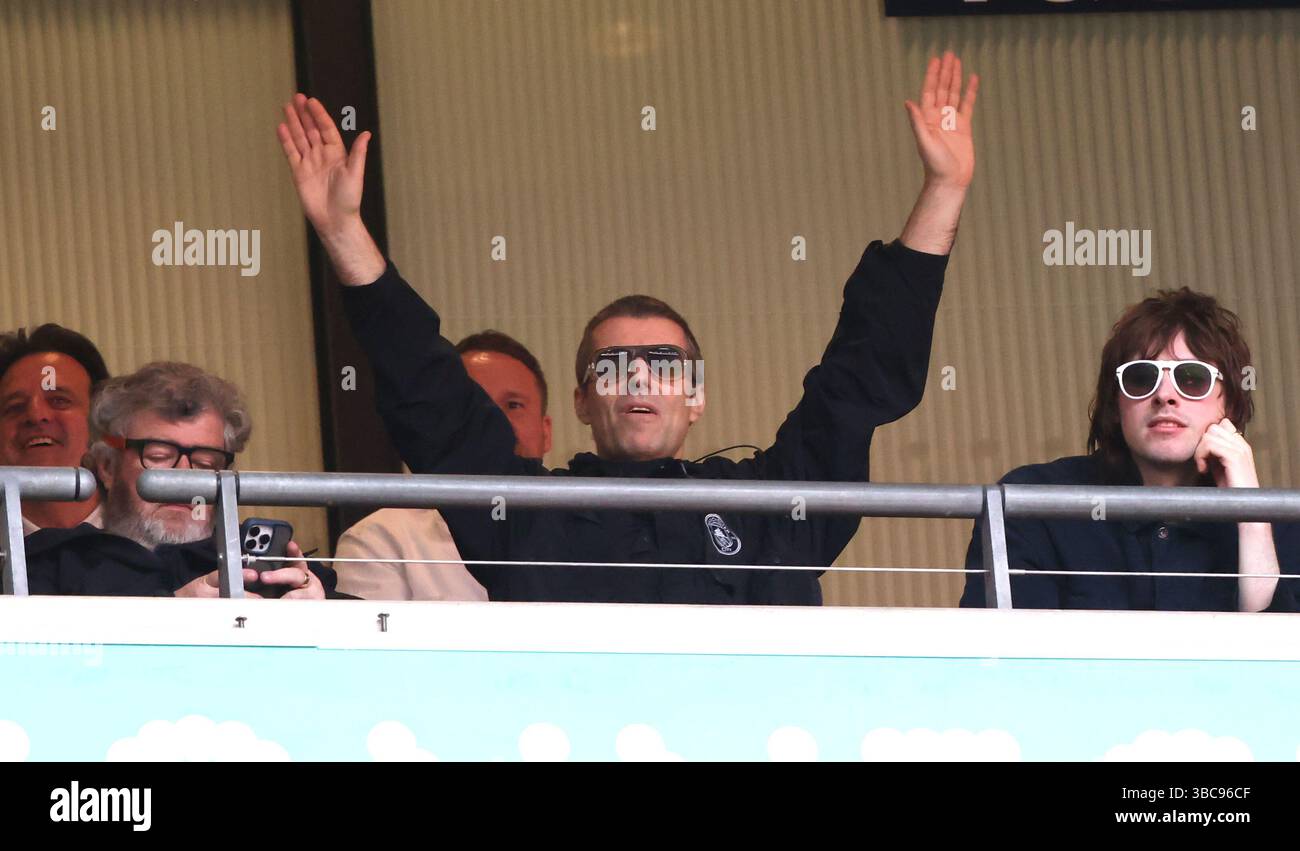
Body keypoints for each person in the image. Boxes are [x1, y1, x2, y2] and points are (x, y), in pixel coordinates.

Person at [278, 53, 978, 604]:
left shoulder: (770, 504)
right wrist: (343, 232)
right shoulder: (524, 515)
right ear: (581, 400)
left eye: (666, 365)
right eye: (615, 365)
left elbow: (859, 379)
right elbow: (429, 392)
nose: (640, 378)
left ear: (698, 396)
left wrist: (943, 190)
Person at [960, 288, 1299, 612]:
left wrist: (1251, 517)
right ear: (1116, 401)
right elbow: (1005, 660)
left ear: (1230, 403)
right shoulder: (1033, 503)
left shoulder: (1282, 525)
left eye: (1193, 378)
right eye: (1141, 377)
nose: (1165, 395)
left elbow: (1279, 665)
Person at [23, 362, 335, 599]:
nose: (184, 476)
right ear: (107, 466)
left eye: (205, 462)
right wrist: (172, 611)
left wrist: (319, 615)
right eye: (158, 456)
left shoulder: (266, 562)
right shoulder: (52, 565)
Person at [335, 330, 551, 600]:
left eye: (513, 405)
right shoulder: (380, 541)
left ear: (546, 432)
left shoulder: (583, 531)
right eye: (475, 408)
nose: (495, 423)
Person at [0, 324, 110, 533]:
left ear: (102, 421)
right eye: (15, 407)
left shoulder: (154, 535)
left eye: (59, 400)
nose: (36, 415)